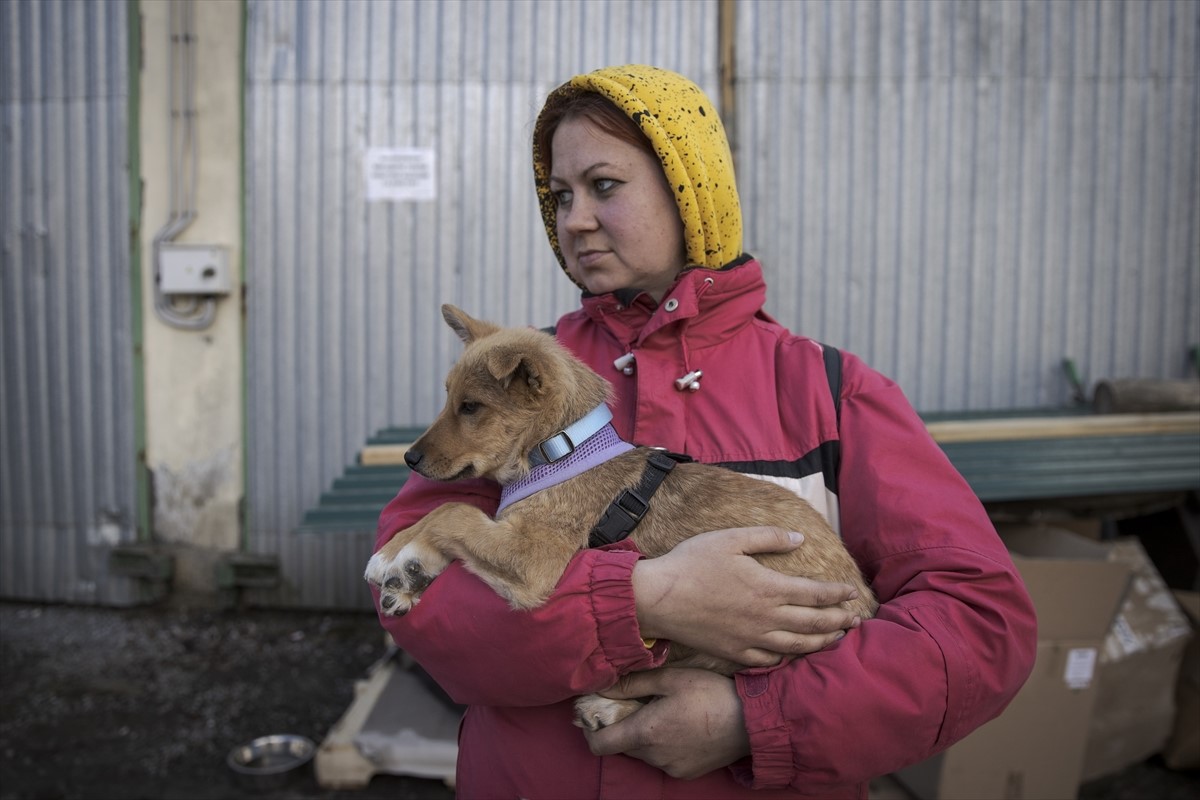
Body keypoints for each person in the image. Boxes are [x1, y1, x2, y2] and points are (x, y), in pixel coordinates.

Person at [374, 64, 1037, 798]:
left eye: (604, 186)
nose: (575, 220)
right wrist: (639, 602)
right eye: (560, 196)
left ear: (690, 190)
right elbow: (414, 603)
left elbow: (980, 626)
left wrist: (757, 718)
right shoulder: (520, 382)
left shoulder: (827, 391)